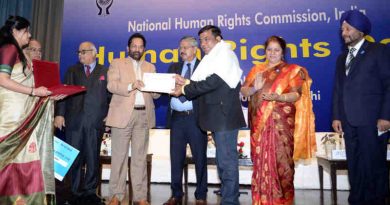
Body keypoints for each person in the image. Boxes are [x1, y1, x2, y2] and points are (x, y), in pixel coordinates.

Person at [172, 25, 246, 205]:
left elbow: (212, 82)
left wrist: (184, 88)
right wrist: (187, 83)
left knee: (227, 163)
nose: (203, 44)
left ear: (218, 39)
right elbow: (202, 81)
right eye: (201, 40)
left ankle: (230, 201)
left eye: (207, 39)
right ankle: (229, 200)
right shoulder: (213, 58)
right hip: (219, 118)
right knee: (223, 162)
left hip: (225, 117)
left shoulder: (225, 55)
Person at [240, 35, 316, 204]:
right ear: (265, 51)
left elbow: (297, 94)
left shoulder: (293, 70)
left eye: (276, 50)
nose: (272, 53)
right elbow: (244, 92)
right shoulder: (256, 70)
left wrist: (279, 97)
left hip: (281, 125)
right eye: (269, 49)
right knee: (260, 162)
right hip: (260, 124)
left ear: (282, 52)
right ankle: (261, 199)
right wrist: (254, 89)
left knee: (282, 162)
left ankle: (283, 200)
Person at [332, 10, 390, 205]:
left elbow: (389, 84)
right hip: (349, 122)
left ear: (360, 30)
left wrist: (386, 116)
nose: (344, 33)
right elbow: (339, 90)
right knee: (355, 165)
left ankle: (377, 200)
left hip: (372, 120)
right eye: (342, 29)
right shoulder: (342, 59)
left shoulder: (378, 50)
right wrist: (337, 116)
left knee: (374, 164)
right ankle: (356, 200)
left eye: (347, 28)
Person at [0, 16, 54, 205]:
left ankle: (20, 200)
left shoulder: (19, 52)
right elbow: (3, 80)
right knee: (8, 159)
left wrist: (46, 95)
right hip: (11, 115)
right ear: (15, 32)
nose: (29, 35)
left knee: (23, 162)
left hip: (23, 111)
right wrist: (33, 91)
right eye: (26, 31)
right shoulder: (9, 48)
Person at [106, 33, 160, 205]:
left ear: (144, 49)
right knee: (119, 158)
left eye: (140, 46)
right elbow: (111, 85)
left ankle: (140, 197)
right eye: (134, 46)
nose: (137, 49)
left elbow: (156, 95)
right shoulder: (117, 63)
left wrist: (159, 88)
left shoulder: (151, 67)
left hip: (143, 115)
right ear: (128, 47)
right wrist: (132, 85)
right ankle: (116, 196)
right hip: (122, 115)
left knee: (139, 158)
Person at [54, 41, 111, 205]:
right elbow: (63, 94)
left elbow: (110, 97)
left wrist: (109, 115)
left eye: (84, 52)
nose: (80, 55)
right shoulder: (72, 70)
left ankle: (90, 192)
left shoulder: (105, 71)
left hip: (95, 121)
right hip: (74, 121)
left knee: (93, 157)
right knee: (75, 158)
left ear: (94, 53)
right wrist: (59, 114)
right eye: (78, 52)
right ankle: (74, 191)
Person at [164, 36, 208, 205]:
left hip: (195, 117)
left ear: (194, 49)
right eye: (180, 47)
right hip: (177, 118)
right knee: (176, 157)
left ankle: (201, 195)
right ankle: (176, 194)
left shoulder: (203, 66)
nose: (182, 50)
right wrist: (167, 86)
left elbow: (205, 88)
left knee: (199, 157)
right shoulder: (174, 67)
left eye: (185, 47)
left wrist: (186, 85)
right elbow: (164, 88)